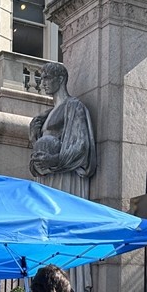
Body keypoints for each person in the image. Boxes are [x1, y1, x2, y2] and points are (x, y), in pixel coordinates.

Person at [28, 62, 97, 198]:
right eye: (41, 79)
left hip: (64, 177)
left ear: (60, 79)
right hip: (47, 175)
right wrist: (34, 138)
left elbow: (80, 146)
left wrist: (54, 160)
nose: (42, 84)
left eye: (47, 78)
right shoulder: (47, 114)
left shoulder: (73, 106)